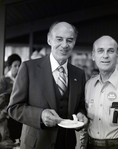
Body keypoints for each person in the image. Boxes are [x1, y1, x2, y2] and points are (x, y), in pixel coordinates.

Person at [7, 21, 88, 149]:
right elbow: (14, 108)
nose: (64, 45)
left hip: (67, 144)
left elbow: (80, 105)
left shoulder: (79, 74)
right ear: (49, 40)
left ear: (74, 42)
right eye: (59, 39)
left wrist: (81, 114)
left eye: (70, 40)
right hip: (35, 145)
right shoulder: (29, 68)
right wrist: (40, 115)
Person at [0, 54, 22, 147]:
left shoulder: (21, 79)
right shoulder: (4, 79)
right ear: (9, 67)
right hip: (7, 113)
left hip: (18, 111)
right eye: (15, 65)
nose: (17, 68)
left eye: (19, 65)